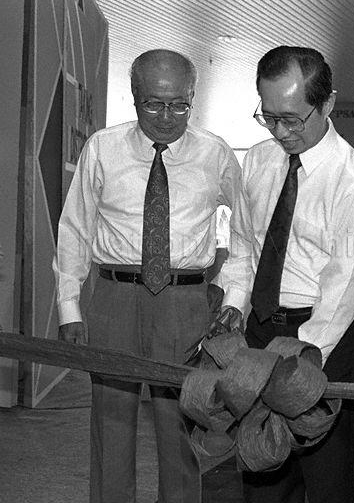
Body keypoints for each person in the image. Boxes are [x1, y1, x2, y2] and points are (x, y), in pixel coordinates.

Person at [53, 49, 242, 503]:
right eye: (153, 104)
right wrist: (68, 306)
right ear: (134, 97)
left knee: (182, 424)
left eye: (179, 104)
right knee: (111, 422)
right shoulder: (103, 147)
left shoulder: (215, 153)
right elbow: (75, 228)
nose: (167, 116)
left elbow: (246, 235)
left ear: (192, 98)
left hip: (186, 303)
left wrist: (234, 296)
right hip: (115, 298)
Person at [214, 45, 354, 503]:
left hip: (323, 336)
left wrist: (301, 358)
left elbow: (344, 286)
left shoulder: (352, 181)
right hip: (262, 327)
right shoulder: (259, 161)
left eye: (292, 119)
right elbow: (245, 245)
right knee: (263, 469)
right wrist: (233, 307)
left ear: (326, 104)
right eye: (268, 117)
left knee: (327, 475)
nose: (280, 132)